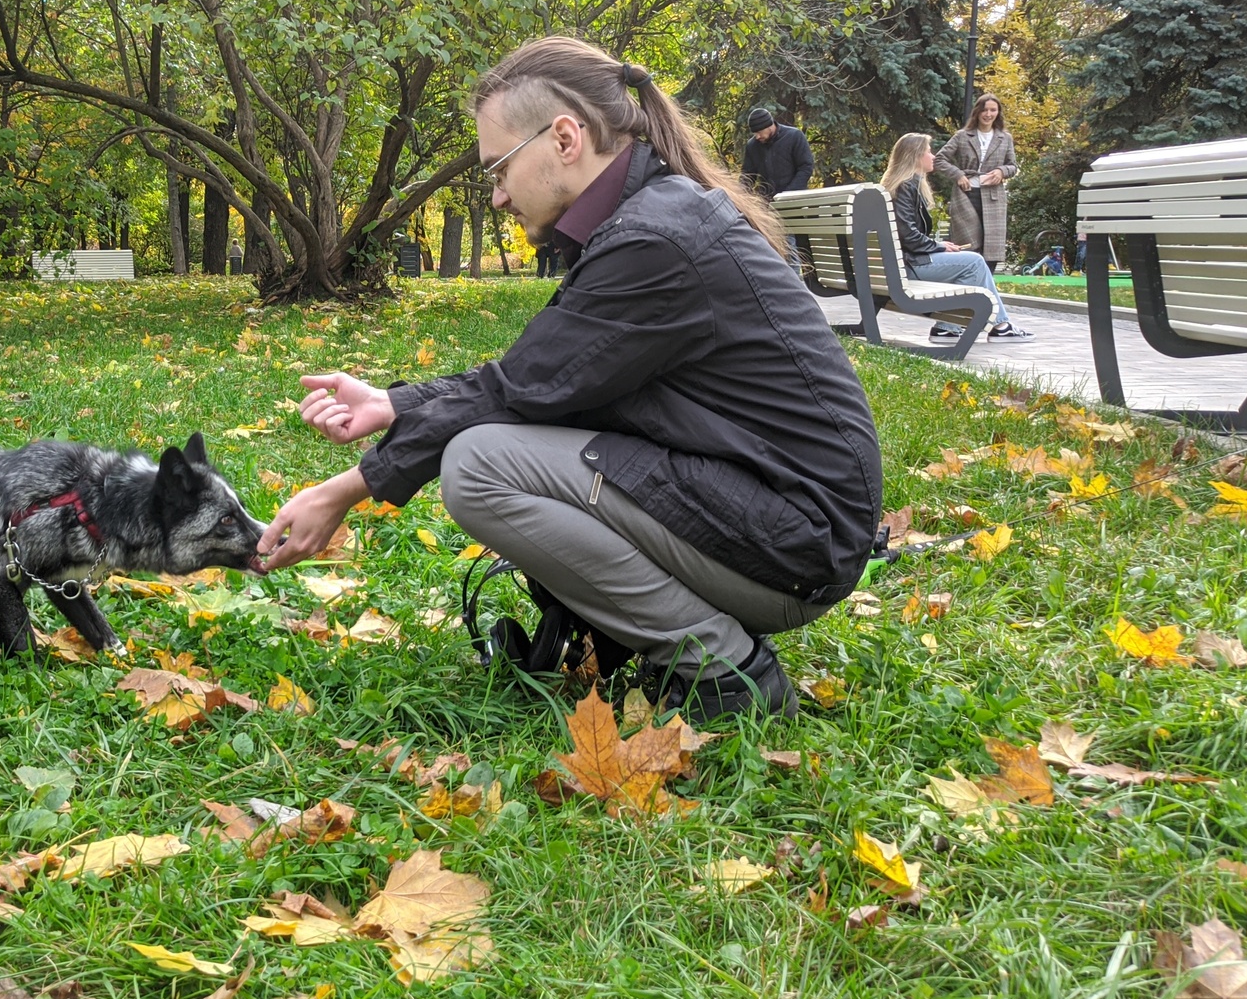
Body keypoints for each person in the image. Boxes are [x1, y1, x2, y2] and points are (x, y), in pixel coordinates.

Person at [255, 36, 884, 722]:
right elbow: (540, 378)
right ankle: (636, 634)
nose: (495, 196)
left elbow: (515, 393)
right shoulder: (652, 216)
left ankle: (723, 669)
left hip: (796, 543)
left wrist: (345, 491)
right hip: (778, 523)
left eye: (497, 169)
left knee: (479, 466)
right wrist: (392, 402)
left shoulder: (655, 239)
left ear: (564, 138)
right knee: (501, 441)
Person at [882, 133, 1033, 342]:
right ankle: (1000, 325)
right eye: (928, 151)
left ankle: (948, 327)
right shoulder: (906, 186)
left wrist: (940, 246)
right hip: (908, 266)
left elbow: (905, 234)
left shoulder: (901, 185)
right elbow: (908, 236)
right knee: (975, 263)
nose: (933, 156)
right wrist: (939, 246)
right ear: (915, 156)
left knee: (969, 266)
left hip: (900, 265)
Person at [932, 93, 1016, 267]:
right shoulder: (962, 136)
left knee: (991, 244)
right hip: (966, 195)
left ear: (998, 113)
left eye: (993, 110)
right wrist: (958, 174)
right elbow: (939, 159)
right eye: (984, 110)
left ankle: (987, 286)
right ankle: (966, 280)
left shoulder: (1005, 138)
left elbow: (1012, 166)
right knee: (967, 241)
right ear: (977, 112)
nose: (988, 114)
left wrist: (1002, 171)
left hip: (993, 197)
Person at [739, 107, 815, 199]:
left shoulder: (794, 136)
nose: (757, 137)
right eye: (755, 133)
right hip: (767, 203)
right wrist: (740, 198)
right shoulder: (752, 146)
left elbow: (806, 167)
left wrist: (788, 194)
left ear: (769, 126)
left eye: (759, 132)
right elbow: (747, 177)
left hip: (795, 198)